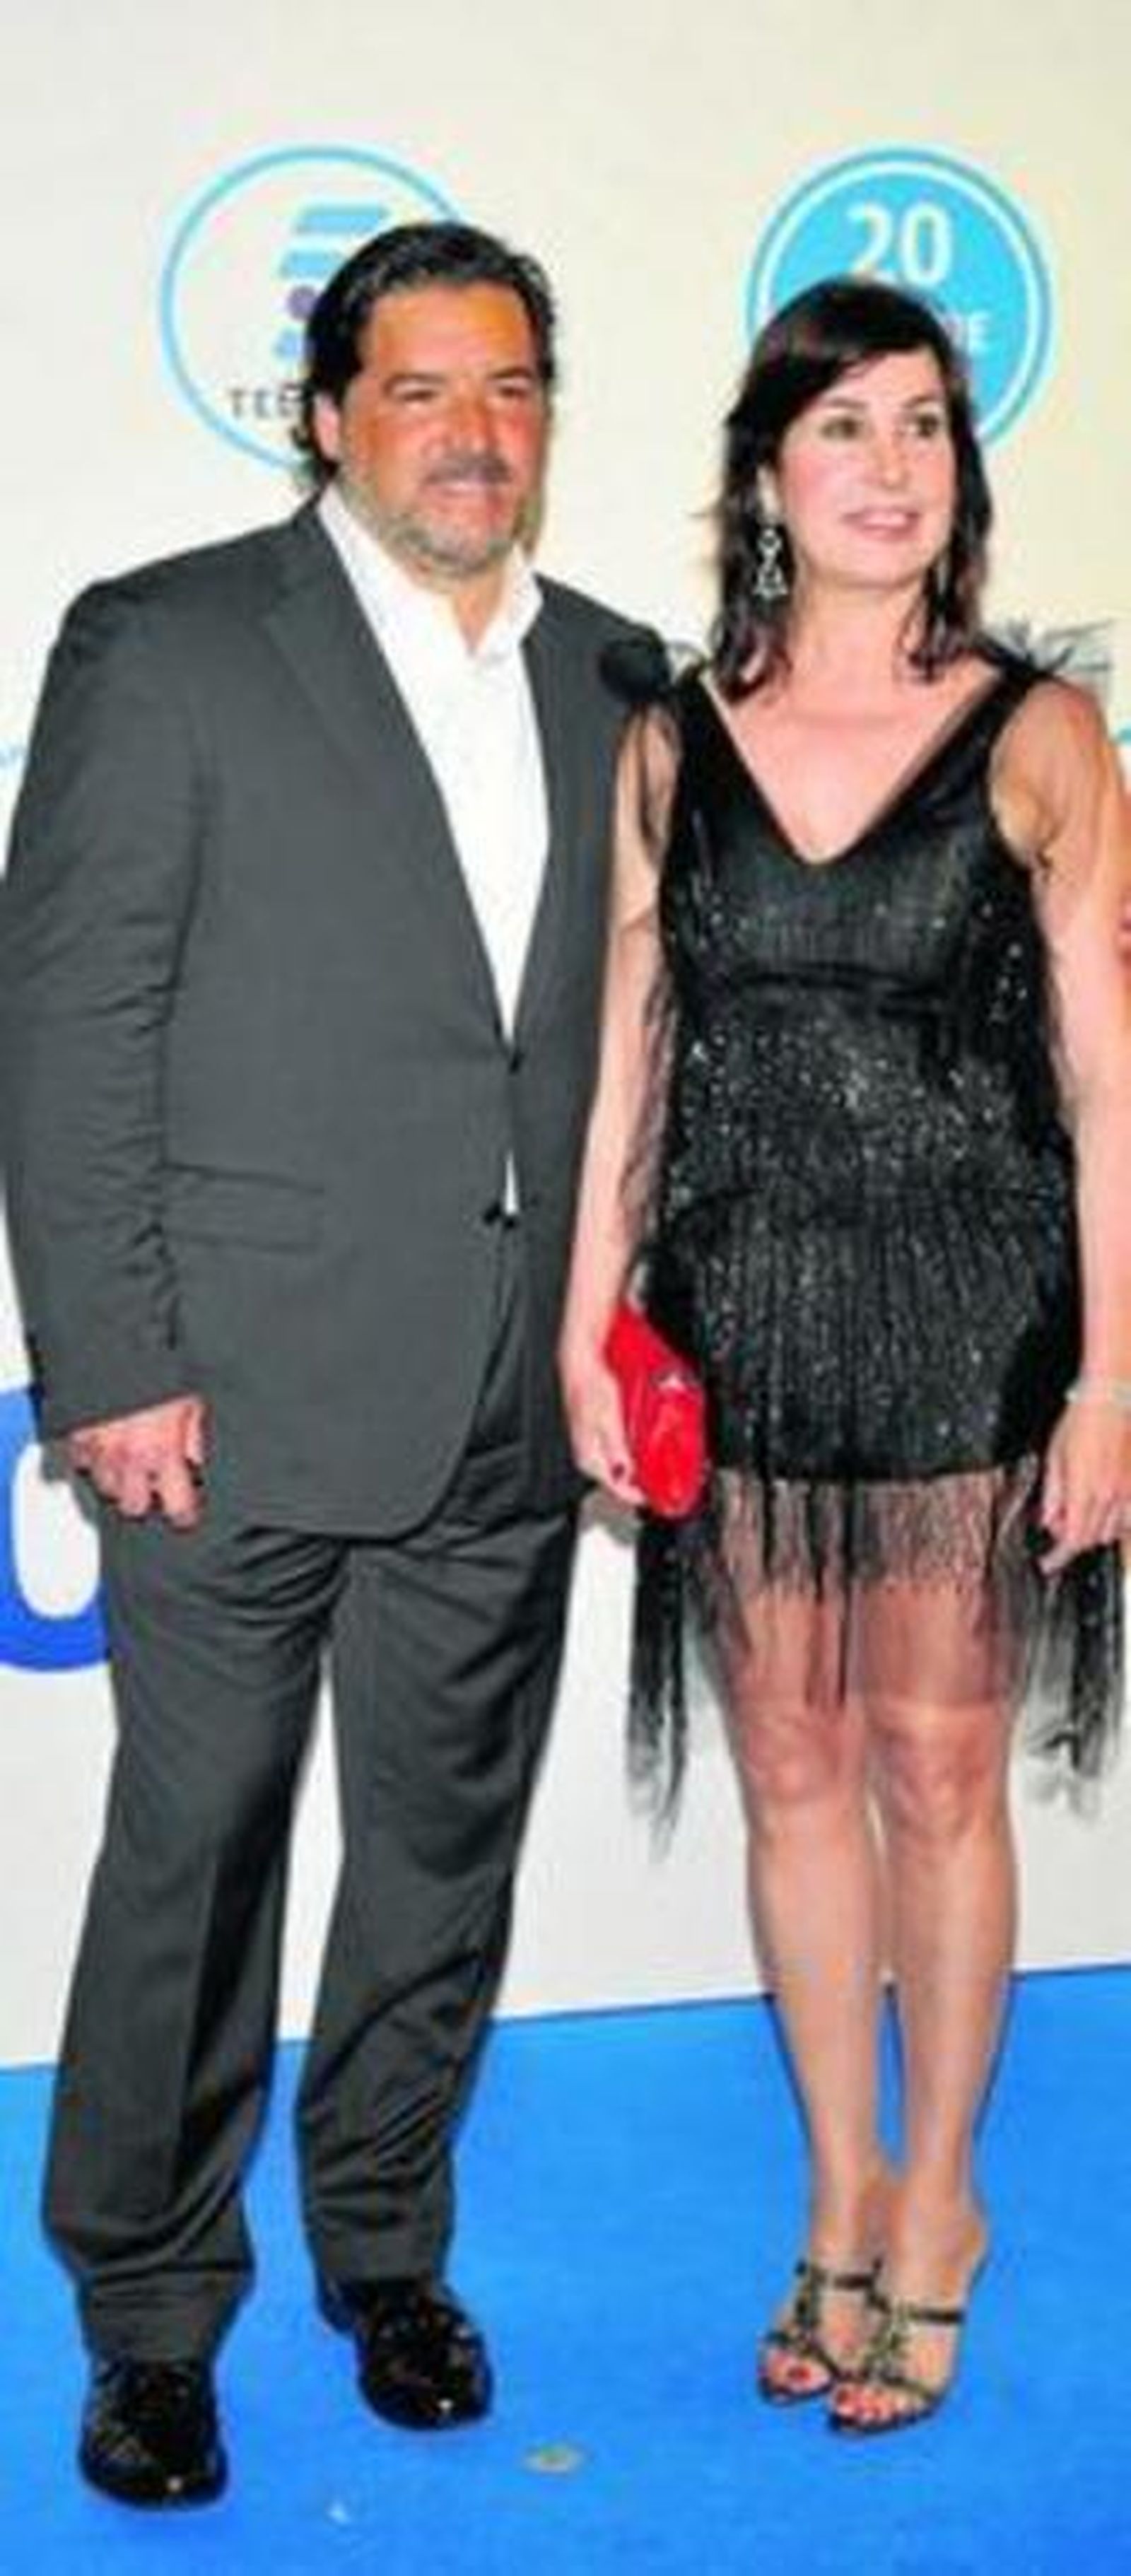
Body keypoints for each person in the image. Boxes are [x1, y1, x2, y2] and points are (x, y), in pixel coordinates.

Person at [0, 221, 643, 2507]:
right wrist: (111, 1354)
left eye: (512, 389)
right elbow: (74, 1022)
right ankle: (151, 2315)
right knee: (194, 1860)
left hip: (506, 1392)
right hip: (232, 1394)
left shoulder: (621, 677)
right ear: (329, 416)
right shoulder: (168, 643)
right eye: (423, 390)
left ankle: (388, 2247)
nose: (475, 435)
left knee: (441, 1865)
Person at [561, 277, 1131, 2435]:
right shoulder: (667, 740)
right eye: (844, 427)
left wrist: (1113, 1376)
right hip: (738, 1321)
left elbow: (1112, 1085)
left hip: (972, 1322)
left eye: (925, 426)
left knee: (935, 1767)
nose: (892, 468)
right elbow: (630, 1059)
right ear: (768, 474)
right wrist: (588, 1320)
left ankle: (944, 2202)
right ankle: (839, 2189)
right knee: (790, 1768)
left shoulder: (1043, 735)